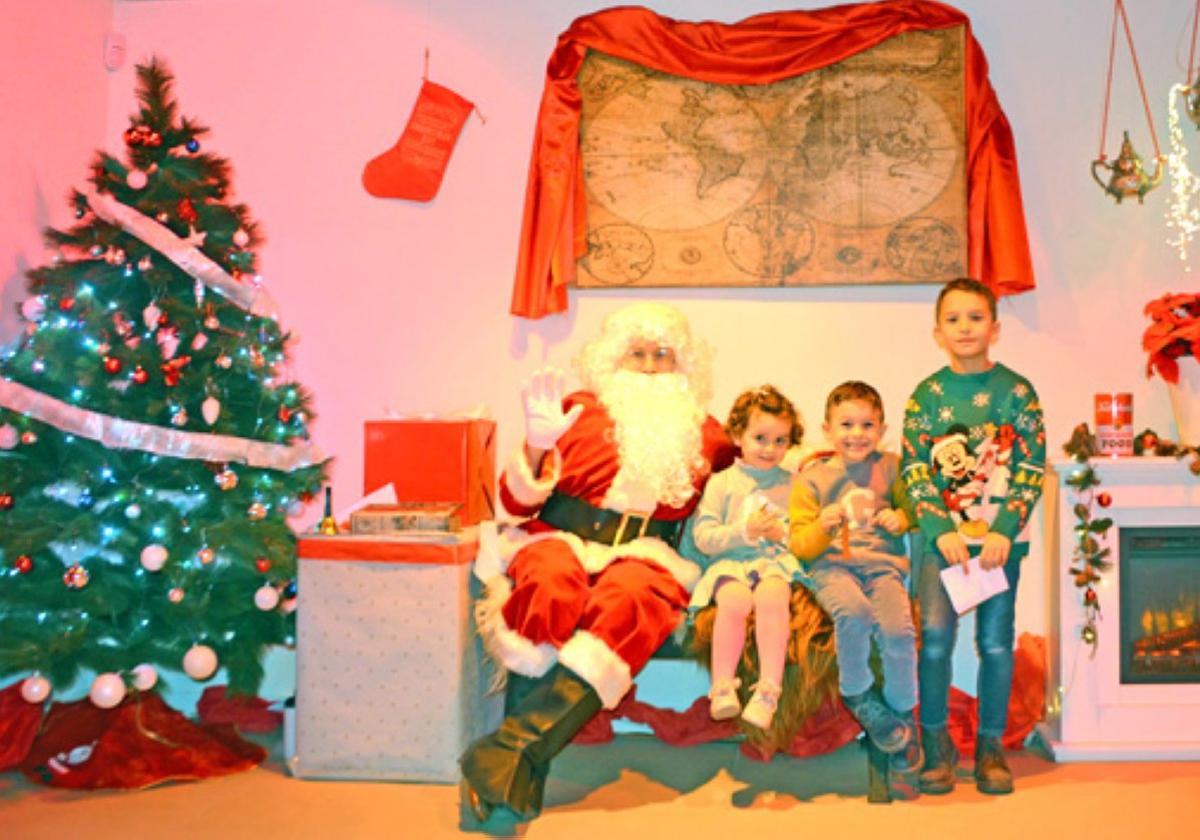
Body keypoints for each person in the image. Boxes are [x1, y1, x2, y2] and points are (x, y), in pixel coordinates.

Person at [461, 302, 735, 828]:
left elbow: (767, 454)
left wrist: (816, 464)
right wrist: (538, 450)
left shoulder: (706, 433)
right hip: (556, 534)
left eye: (663, 355)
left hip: (644, 551)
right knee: (548, 583)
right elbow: (514, 507)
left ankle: (509, 755)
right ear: (613, 359)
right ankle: (516, 762)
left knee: (633, 603)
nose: (652, 366)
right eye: (638, 353)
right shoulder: (575, 412)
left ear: (684, 366)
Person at [900, 278, 1045, 796]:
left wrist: (1005, 530)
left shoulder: (1017, 393)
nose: (965, 328)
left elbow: (1030, 463)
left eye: (976, 317)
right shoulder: (926, 397)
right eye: (954, 319)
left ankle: (990, 746)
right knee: (936, 640)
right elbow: (915, 468)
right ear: (938, 332)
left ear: (995, 328)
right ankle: (936, 744)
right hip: (942, 546)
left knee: (995, 643)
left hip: (1000, 547)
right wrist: (940, 531)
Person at [789, 381, 923, 777]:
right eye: (846, 424)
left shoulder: (892, 467)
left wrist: (900, 519)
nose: (857, 434)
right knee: (855, 613)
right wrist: (822, 528)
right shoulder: (811, 479)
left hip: (882, 566)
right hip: (833, 567)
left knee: (899, 632)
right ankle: (858, 695)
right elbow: (800, 544)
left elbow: (915, 508)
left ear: (881, 430)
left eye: (867, 425)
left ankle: (901, 716)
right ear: (827, 430)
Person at [685, 385, 803, 730]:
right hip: (730, 562)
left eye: (781, 440)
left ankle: (768, 692)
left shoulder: (795, 484)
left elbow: (807, 537)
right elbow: (704, 538)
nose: (770, 449)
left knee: (772, 598)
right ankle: (722, 687)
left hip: (775, 562)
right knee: (734, 602)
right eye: (761, 437)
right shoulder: (722, 483)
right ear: (739, 435)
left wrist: (784, 534)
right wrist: (743, 531)